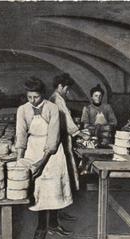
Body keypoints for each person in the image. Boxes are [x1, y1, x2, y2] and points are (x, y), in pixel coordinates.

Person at [15, 77, 73, 239]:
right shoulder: (23, 110)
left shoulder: (52, 108)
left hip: (52, 151)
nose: (33, 101)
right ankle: (41, 228)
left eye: (36, 97)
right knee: (39, 190)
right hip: (33, 148)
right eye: (29, 97)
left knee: (53, 188)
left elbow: (53, 136)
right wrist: (20, 161)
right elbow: (21, 135)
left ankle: (53, 225)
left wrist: (43, 161)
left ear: (43, 95)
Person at [49, 73, 90, 222]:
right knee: (61, 179)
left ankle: (60, 212)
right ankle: (55, 218)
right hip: (59, 143)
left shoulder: (56, 98)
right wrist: (80, 133)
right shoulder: (57, 99)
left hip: (61, 141)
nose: (67, 92)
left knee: (62, 179)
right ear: (60, 86)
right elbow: (66, 120)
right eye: (66, 89)